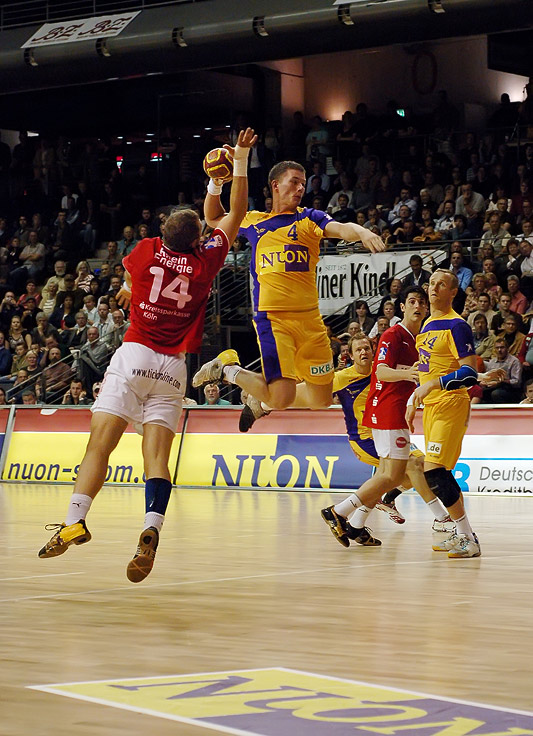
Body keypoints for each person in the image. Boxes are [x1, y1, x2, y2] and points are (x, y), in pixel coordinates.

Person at [38, 127, 257, 583]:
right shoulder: (206, 261)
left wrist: (125, 286)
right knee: (156, 459)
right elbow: (235, 213)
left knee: (100, 445)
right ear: (200, 239)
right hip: (174, 367)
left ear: (164, 233)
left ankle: (76, 518)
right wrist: (233, 164)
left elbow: (144, 265)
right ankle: (150, 527)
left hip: (134, 354)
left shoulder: (143, 251)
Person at [192, 159, 384, 431]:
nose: (300, 188)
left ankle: (261, 403)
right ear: (275, 185)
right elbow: (213, 218)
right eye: (294, 182)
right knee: (283, 396)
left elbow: (342, 229)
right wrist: (216, 184)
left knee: (320, 400)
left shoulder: (310, 218)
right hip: (274, 319)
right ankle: (227, 369)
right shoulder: (255, 222)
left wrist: (362, 231)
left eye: (303, 184)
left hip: (310, 322)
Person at [321, 289, 452, 548]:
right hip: (377, 421)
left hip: (393, 415)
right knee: (407, 470)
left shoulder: (419, 339)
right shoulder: (391, 337)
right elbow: (382, 373)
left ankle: (355, 523)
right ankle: (441, 519)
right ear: (402, 307)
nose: (418, 306)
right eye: (412, 302)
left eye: (422, 303)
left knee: (395, 475)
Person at [406, 269, 505, 558]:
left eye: (442, 285)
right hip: (431, 407)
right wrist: (416, 397)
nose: (434, 288)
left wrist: (435, 385)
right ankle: (460, 534)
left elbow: (466, 370)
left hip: (450, 404)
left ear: (453, 293)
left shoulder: (457, 325)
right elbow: (439, 367)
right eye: (431, 284)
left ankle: (466, 537)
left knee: (434, 472)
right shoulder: (426, 324)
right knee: (440, 473)